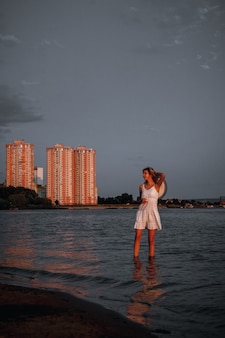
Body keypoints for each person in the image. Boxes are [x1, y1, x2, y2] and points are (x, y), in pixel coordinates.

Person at [133, 167, 166, 259]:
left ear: (150, 175)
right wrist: (141, 200)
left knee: (151, 240)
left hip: (152, 213)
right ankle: (135, 259)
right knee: (137, 237)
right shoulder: (141, 187)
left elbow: (163, 175)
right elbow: (139, 199)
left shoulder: (157, 186)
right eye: (143, 173)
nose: (143, 175)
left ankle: (151, 262)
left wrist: (155, 172)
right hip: (142, 212)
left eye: (145, 173)